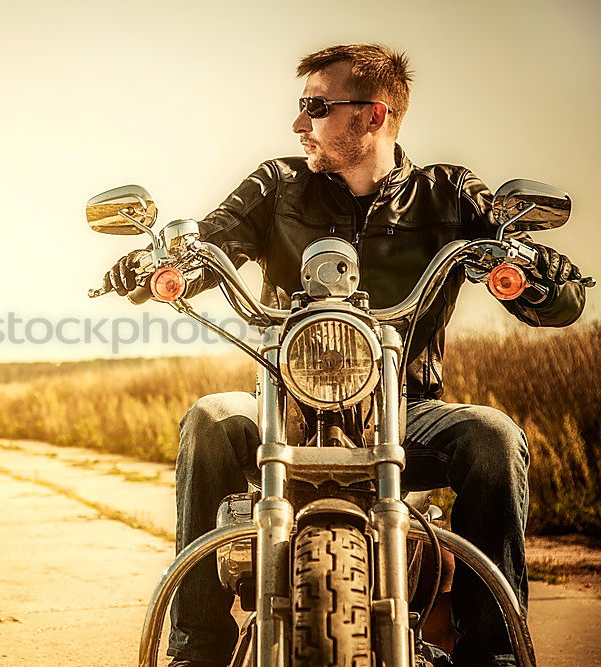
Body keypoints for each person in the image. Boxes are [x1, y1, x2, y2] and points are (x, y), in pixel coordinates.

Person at [101, 44, 586, 667]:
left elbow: (553, 296)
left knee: (493, 438)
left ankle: (492, 655)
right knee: (208, 422)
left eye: (314, 107)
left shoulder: (446, 193)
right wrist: (162, 262)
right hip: (284, 404)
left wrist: (535, 273)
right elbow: (212, 239)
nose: (298, 124)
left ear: (372, 115)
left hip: (405, 410)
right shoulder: (277, 186)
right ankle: (197, 649)